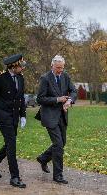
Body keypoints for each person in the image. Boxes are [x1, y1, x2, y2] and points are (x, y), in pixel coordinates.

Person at [0, 54, 27, 188]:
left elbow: (21, 98)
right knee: (12, 145)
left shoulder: (20, 78)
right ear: (13, 66)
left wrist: (23, 115)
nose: (22, 69)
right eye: (20, 66)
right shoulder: (0, 77)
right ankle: (14, 177)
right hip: (2, 115)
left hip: (13, 115)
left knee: (9, 143)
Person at [36, 55, 77, 184]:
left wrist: (69, 101)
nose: (60, 70)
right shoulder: (45, 78)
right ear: (52, 66)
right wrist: (58, 99)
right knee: (58, 145)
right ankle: (58, 175)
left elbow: (73, 91)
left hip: (62, 115)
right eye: (58, 68)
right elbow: (40, 99)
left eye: (62, 68)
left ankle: (43, 158)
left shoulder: (65, 76)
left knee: (61, 143)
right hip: (49, 116)